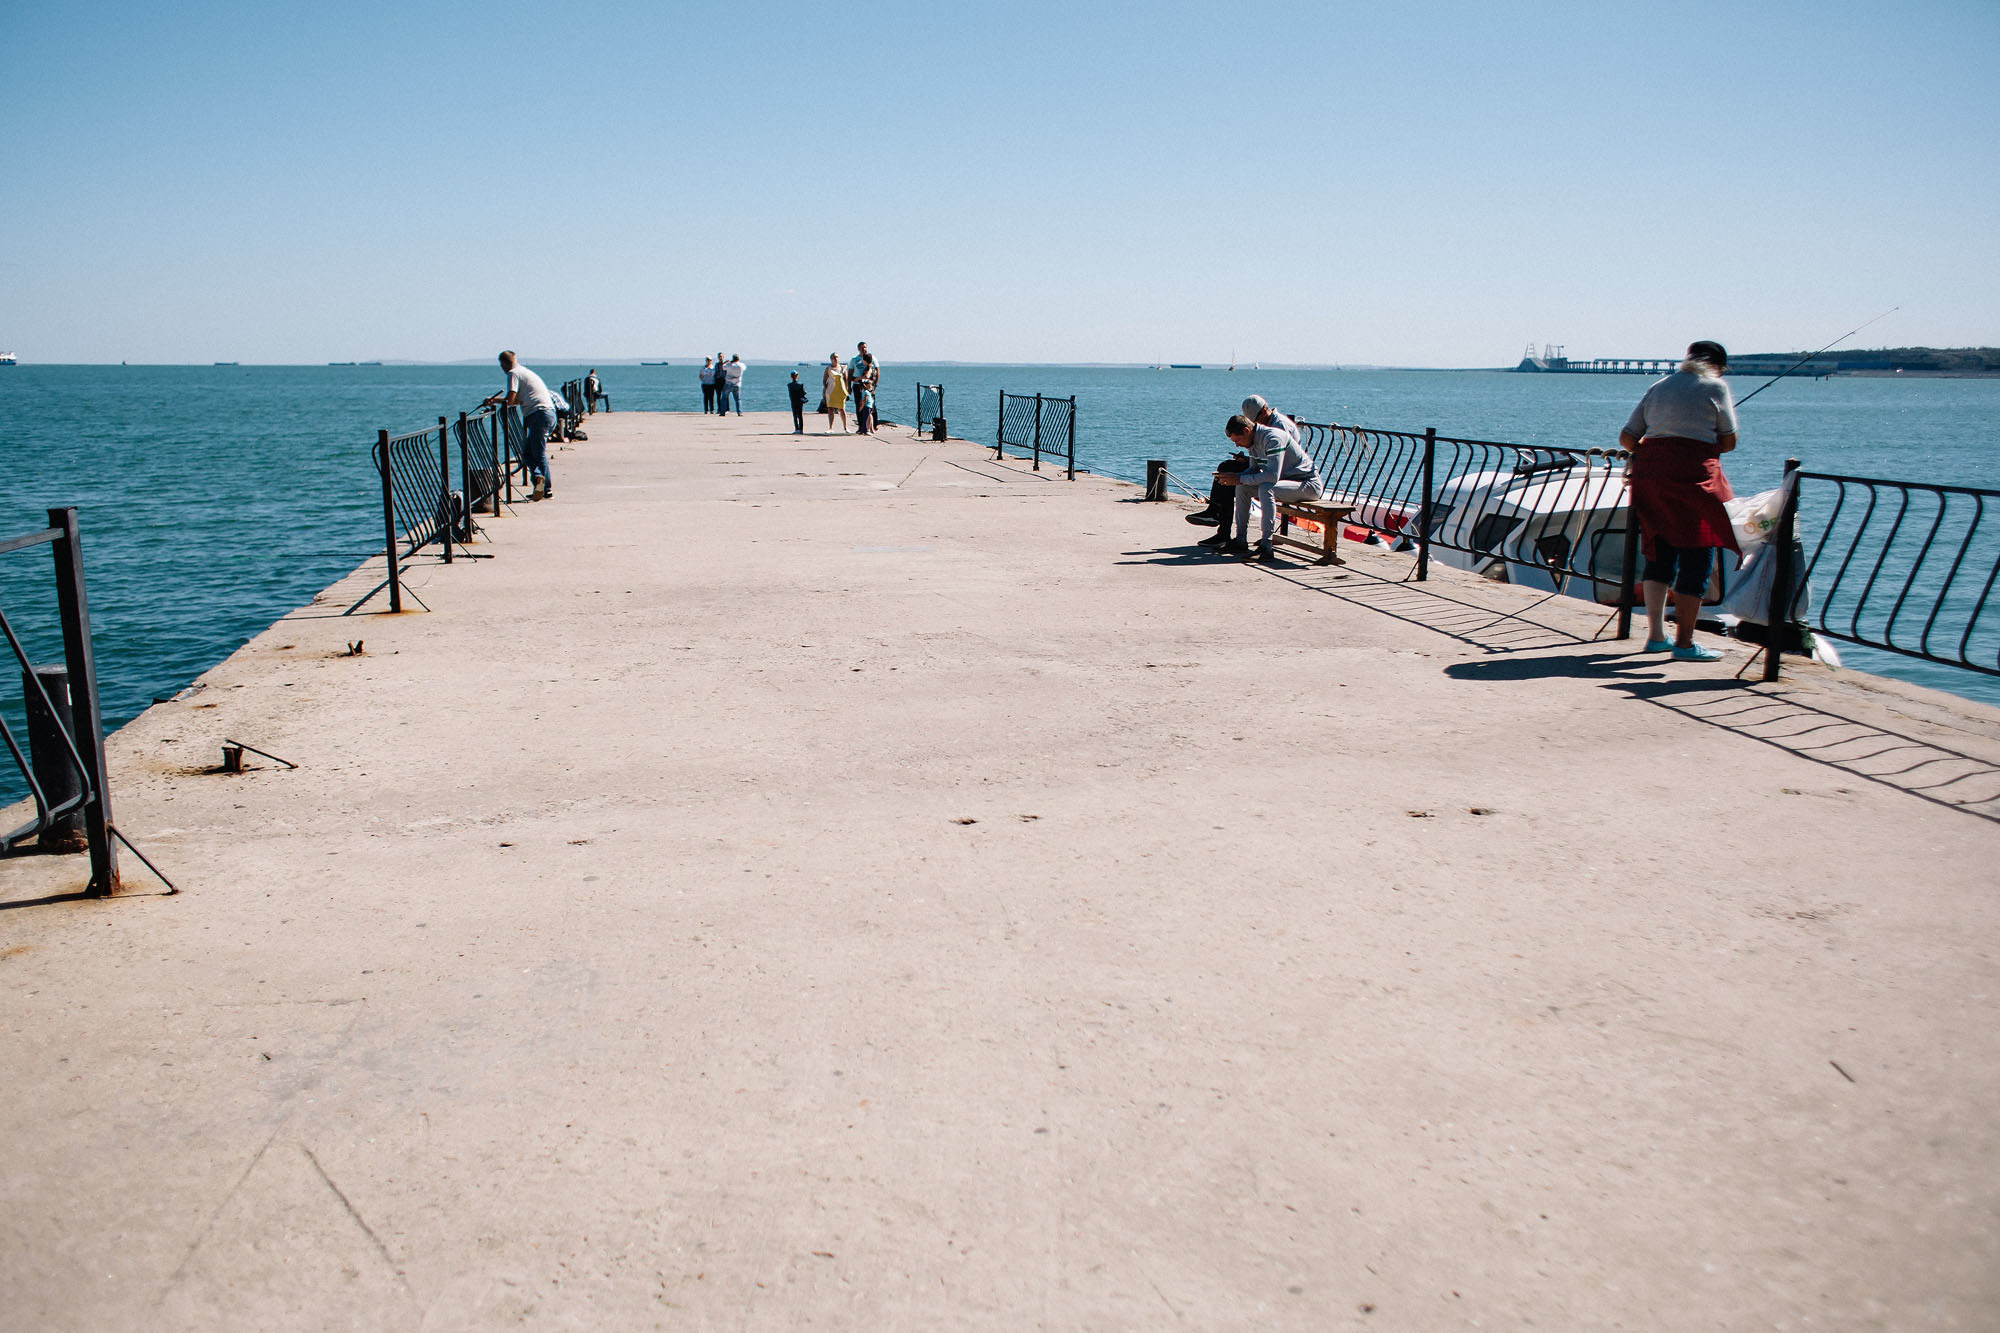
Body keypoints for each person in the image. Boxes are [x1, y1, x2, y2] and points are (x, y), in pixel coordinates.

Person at [1618, 340, 1740, 662]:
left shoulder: (1659, 386)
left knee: (1659, 554)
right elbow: (1729, 441)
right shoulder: (1716, 386)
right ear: (1718, 366)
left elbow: (1627, 438)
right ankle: (1685, 644)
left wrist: (1656, 451)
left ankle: (1656, 637)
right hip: (1693, 482)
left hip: (1651, 480)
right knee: (1697, 558)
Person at [1189, 395, 1302, 546]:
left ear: (1264, 412)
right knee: (1227, 470)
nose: (1255, 425)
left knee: (1231, 472)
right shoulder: (1261, 428)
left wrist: (1241, 475)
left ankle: (1219, 519)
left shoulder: (1279, 427)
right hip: (1269, 465)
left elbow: (1279, 460)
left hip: (1282, 473)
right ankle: (1217, 515)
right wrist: (1247, 461)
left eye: (1255, 421)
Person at [1211, 412, 1324, 562]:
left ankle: (1266, 546)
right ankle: (1240, 540)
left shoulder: (1272, 438)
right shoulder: (1252, 441)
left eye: (1238, 440)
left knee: (1266, 488)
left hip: (1308, 484)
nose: (1237, 445)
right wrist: (1233, 477)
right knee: (1242, 487)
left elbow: (1272, 476)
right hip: (1286, 483)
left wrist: (1240, 478)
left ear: (1247, 431)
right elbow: (1253, 470)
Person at [482, 350, 556, 500]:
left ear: (503, 364)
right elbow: (516, 400)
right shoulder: (524, 371)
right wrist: (494, 401)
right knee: (527, 453)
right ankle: (539, 481)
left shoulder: (513, 373)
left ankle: (546, 489)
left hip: (539, 415)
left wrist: (493, 400)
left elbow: (510, 400)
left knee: (538, 453)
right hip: (547, 414)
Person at [847, 341, 879, 434]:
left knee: (871, 406)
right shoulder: (854, 360)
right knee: (859, 406)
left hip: (868, 386)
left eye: (865, 347)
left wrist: (875, 385)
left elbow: (877, 372)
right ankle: (861, 426)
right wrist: (849, 386)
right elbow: (850, 373)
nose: (864, 349)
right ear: (858, 349)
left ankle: (873, 426)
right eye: (861, 347)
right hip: (858, 386)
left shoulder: (872, 358)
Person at [822, 353, 849, 433]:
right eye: (834, 357)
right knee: (830, 409)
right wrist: (825, 390)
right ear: (831, 359)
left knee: (842, 409)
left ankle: (845, 427)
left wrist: (847, 389)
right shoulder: (828, 368)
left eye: (837, 357)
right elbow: (824, 380)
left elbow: (846, 380)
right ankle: (831, 428)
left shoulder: (842, 368)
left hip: (840, 391)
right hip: (831, 390)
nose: (836, 359)